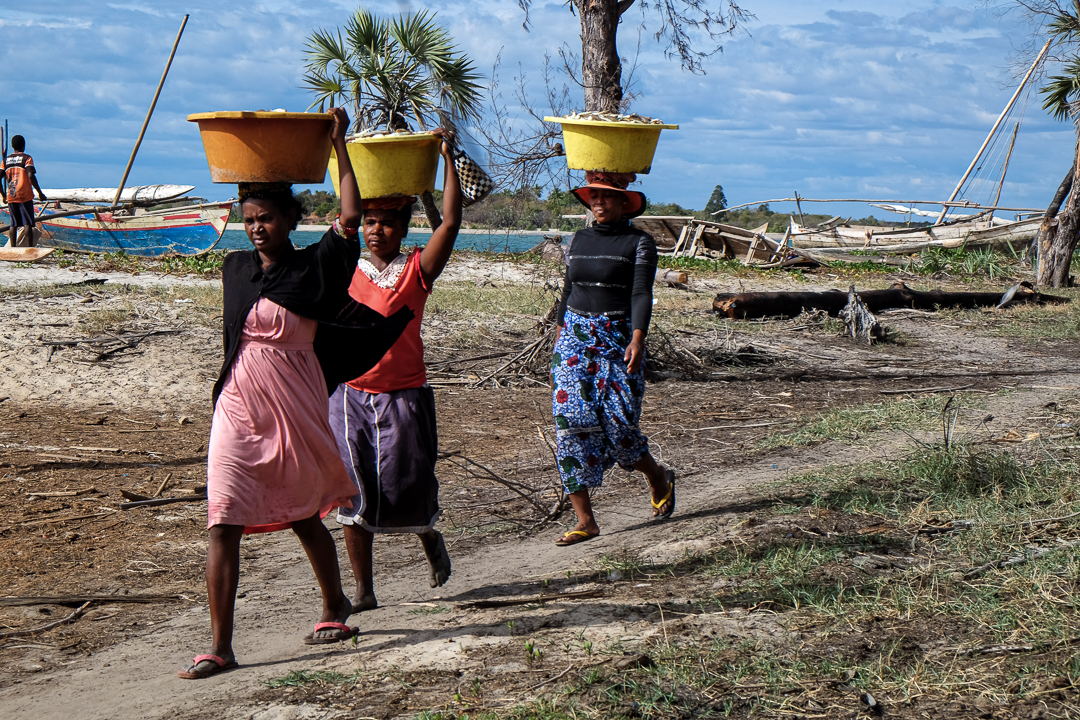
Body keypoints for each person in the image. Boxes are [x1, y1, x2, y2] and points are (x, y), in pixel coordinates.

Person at [179, 107, 412, 680]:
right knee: (222, 518)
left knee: (304, 512)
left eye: (267, 219)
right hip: (236, 407)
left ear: (290, 220)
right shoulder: (235, 269)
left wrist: (338, 145)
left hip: (293, 406)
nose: (257, 228)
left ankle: (334, 605)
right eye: (249, 218)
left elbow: (351, 217)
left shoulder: (317, 267)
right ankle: (221, 646)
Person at [329, 128, 462, 613]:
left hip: (404, 394)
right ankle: (363, 591)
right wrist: (338, 144)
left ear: (404, 229)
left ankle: (427, 533)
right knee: (352, 491)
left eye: (386, 223)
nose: (375, 230)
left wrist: (447, 160)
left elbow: (449, 223)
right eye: (369, 221)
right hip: (348, 398)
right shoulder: (344, 272)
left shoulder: (416, 271)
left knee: (409, 486)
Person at [550, 171, 675, 547]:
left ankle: (657, 476)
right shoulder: (578, 239)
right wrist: (560, 333)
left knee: (620, 429)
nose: (599, 203)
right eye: (594, 197)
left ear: (625, 203)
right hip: (574, 340)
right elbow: (569, 287)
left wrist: (638, 337)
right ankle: (585, 520)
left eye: (607, 197)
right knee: (570, 424)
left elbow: (640, 293)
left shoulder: (640, 243)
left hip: (619, 339)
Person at [3, 135, 47, 247]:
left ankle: (13, 248)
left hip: (11, 195)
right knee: (28, 223)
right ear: (24, 145)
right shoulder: (27, 158)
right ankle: (29, 248)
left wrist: (3, 194)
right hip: (24, 195)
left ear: (12, 146)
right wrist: (40, 193)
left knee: (14, 224)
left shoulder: (6, 160)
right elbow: (31, 175)